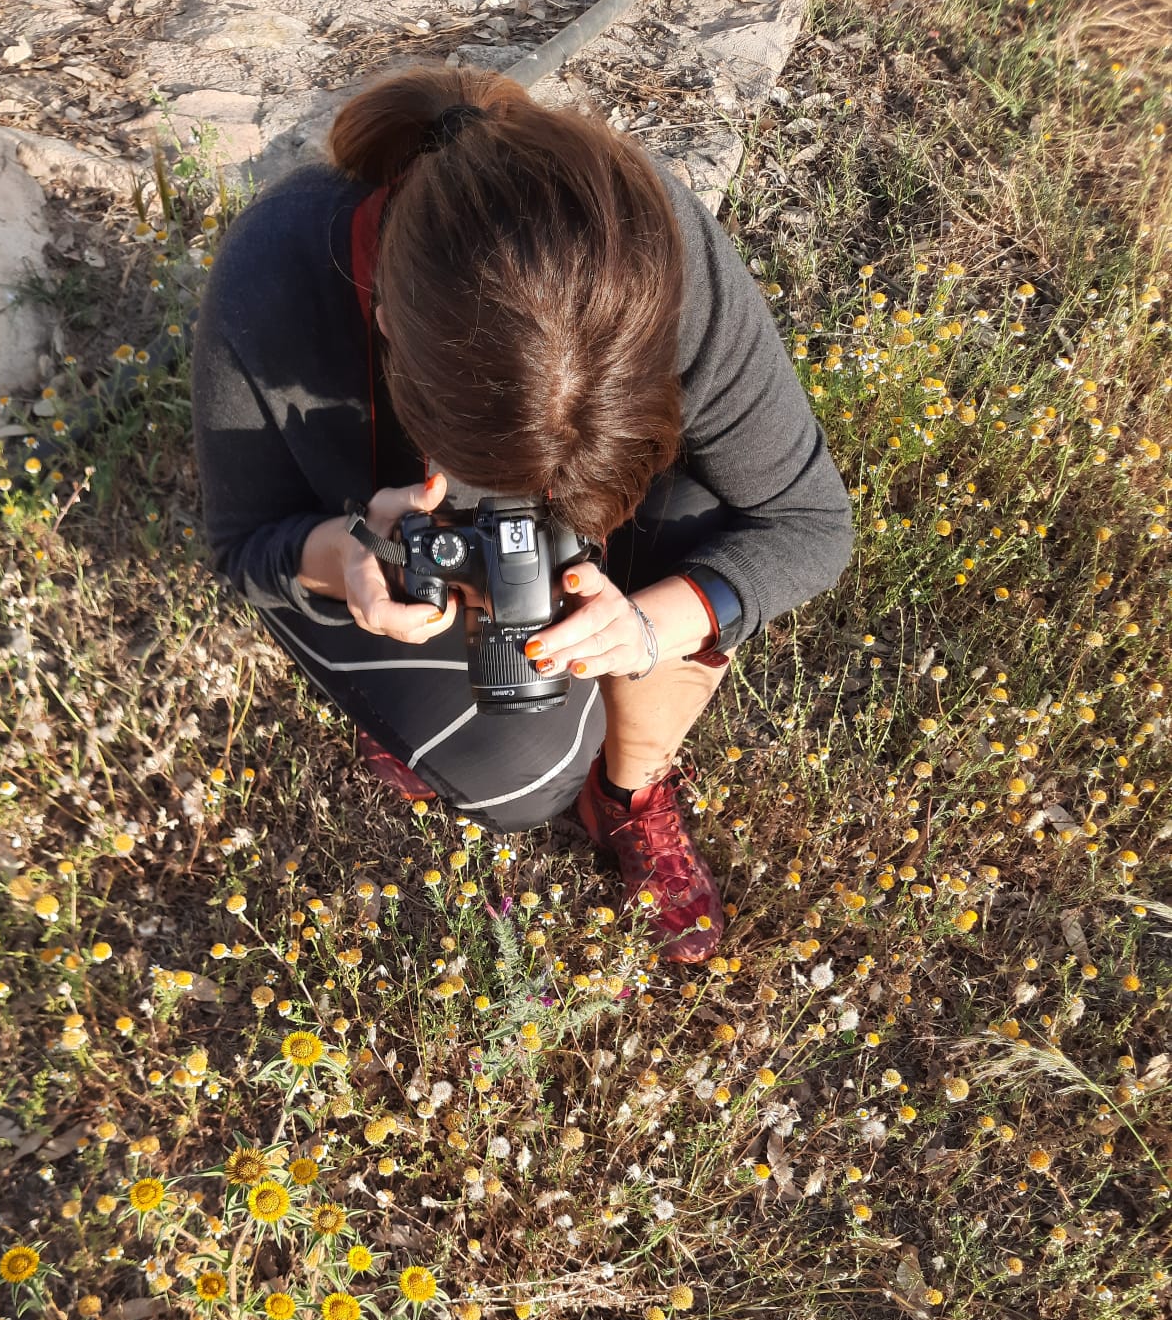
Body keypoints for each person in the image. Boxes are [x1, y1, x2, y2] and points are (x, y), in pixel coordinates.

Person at [191, 66, 853, 961]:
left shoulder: (656, 247)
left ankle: (629, 790)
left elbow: (810, 520)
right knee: (525, 776)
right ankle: (526, 767)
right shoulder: (271, 282)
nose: (534, 532)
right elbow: (241, 543)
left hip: (642, 519)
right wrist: (342, 558)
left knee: (708, 531)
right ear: (383, 322)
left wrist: (657, 621)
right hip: (394, 559)